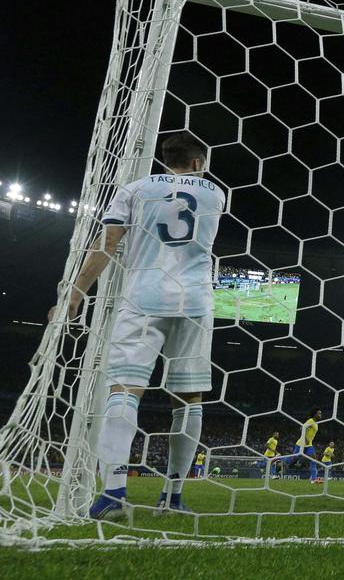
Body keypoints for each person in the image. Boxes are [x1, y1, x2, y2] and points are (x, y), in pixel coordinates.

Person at [47, 133, 225, 519]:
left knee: (125, 390)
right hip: (194, 300)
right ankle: (173, 498)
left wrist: (74, 294)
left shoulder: (135, 189)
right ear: (198, 162)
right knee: (189, 398)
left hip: (143, 297)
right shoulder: (215, 194)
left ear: (165, 159)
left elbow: (106, 243)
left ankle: (112, 495)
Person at [293, 408, 322, 481]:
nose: (320, 415)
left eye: (320, 413)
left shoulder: (315, 423)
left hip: (309, 445)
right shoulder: (311, 421)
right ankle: (278, 463)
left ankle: (314, 479)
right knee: (292, 459)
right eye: (319, 413)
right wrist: (305, 439)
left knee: (313, 460)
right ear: (315, 414)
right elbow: (302, 428)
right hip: (301, 444)